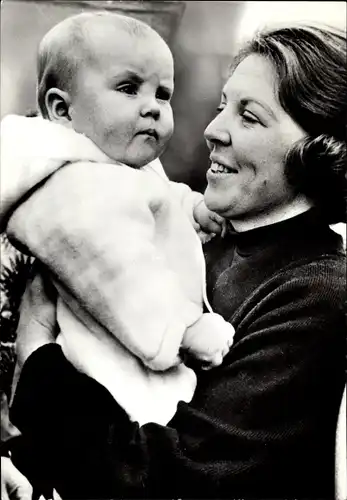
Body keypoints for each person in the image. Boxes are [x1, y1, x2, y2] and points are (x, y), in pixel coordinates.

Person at [4, 21, 347, 499]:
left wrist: (37, 357)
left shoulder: (318, 293)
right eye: (223, 105)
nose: (212, 130)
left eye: (249, 117)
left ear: (320, 150)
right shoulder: (186, 229)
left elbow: (168, 479)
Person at [1, 11, 234, 430]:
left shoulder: (111, 165)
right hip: (107, 367)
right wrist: (181, 332)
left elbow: (153, 202)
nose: (152, 107)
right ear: (61, 110)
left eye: (163, 94)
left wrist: (192, 210)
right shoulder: (73, 188)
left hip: (122, 354)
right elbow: (119, 273)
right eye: (128, 88)